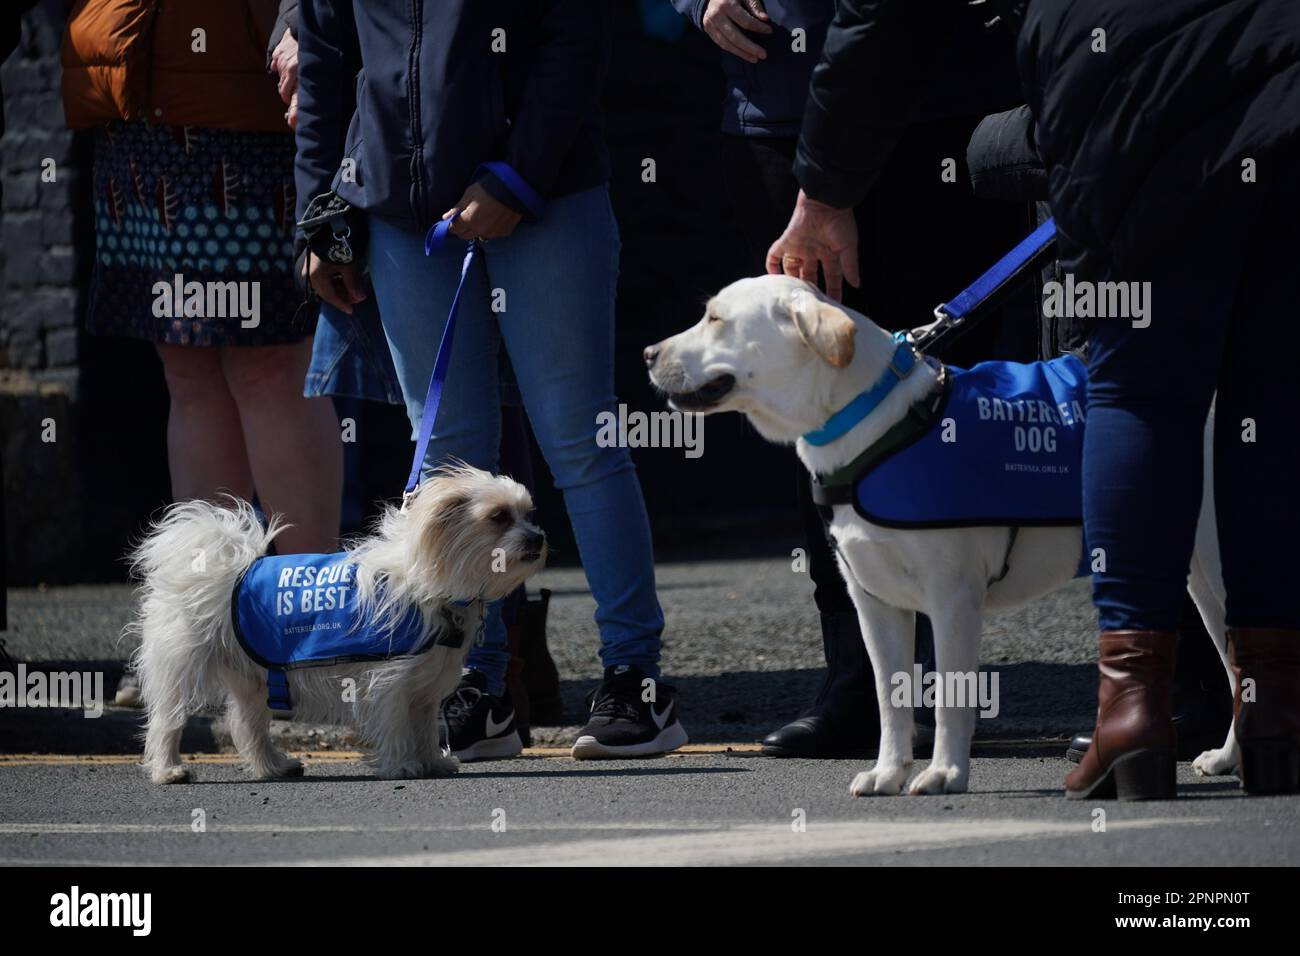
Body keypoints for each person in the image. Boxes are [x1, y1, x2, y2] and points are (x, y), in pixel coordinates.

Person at [295, 1, 686, 759]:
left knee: (580, 441)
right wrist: (320, 210)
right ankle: (474, 686)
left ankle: (636, 682)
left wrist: (519, 173)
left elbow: (575, 32)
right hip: (401, 216)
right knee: (448, 462)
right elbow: (323, 62)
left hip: (547, 198)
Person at [678, 0, 1032, 756]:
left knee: (948, 405)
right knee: (818, 407)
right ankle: (859, 685)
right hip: (775, 109)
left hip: (938, 106)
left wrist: (827, 193)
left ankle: (952, 681)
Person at [1016, 0, 1300, 797]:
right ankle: (1278, 707)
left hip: (1126, 97)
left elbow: (879, 26)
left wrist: (826, 180)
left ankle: (1132, 710)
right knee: (1275, 403)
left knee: (1140, 397)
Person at [61, 0, 341, 558]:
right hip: (139, 96)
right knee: (186, 366)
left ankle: (308, 604)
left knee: (268, 362)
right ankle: (207, 612)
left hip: (244, 104)